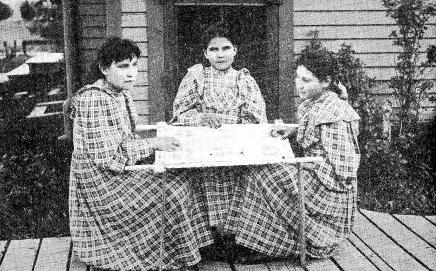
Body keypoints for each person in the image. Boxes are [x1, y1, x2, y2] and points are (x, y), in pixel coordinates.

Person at [69, 37, 201, 271]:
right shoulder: (93, 98)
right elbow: (106, 157)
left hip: (115, 171)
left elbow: (125, 138)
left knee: (183, 179)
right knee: (173, 190)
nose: (131, 73)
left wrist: (155, 142)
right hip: (100, 182)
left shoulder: (120, 94)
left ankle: (175, 250)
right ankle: (161, 256)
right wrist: (152, 145)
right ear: (104, 68)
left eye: (134, 66)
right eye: (122, 67)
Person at [231, 48, 361, 262]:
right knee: (257, 170)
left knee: (263, 174)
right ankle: (257, 238)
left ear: (326, 81)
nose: (299, 84)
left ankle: (272, 243)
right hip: (318, 177)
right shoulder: (316, 104)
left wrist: (304, 165)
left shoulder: (335, 113)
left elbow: (345, 170)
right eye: (297, 78)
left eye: (307, 80)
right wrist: (293, 131)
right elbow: (315, 133)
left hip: (331, 192)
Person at [171, 24, 267, 259]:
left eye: (226, 48)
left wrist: (233, 127)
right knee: (204, 183)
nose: (220, 54)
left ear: (235, 51)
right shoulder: (196, 77)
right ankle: (208, 241)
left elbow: (257, 118)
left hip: (235, 148)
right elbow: (179, 114)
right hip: (204, 148)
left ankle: (236, 238)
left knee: (240, 183)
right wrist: (201, 117)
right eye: (214, 49)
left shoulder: (243, 80)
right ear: (205, 53)